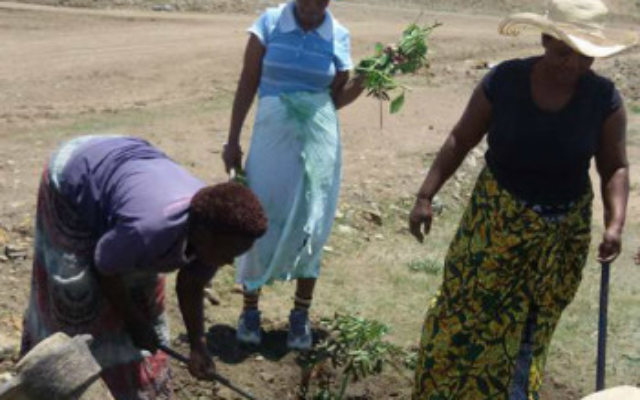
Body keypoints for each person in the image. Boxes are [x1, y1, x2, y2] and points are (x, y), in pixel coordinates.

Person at [408, 0, 637, 399]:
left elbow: (614, 166)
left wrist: (615, 223)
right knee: (463, 315)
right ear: (545, 39)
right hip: (494, 223)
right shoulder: (505, 81)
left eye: (584, 56)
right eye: (563, 51)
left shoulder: (604, 98)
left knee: (530, 328)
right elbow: (460, 138)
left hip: (560, 236)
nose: (572, 64)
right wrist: (426, 195)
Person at [21, 135, 268, 400]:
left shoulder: (216, 229)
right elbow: (103, 264)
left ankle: (129, 388)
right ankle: (51, 381)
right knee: (76, 297)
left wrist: (198, 345)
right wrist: (133, 321)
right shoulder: (148, 229)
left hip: (128, 178)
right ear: (204, 235)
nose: (229, 262)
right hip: (75, 174)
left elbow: (191, 284)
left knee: (144, 303)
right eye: (228, 254)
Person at [222, 0, 364, 350]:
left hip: (319, 142)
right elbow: (248, 81)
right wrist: (232, 139)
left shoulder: (338, 35)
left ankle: (300, 316)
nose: (315, 4)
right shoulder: (269, 23)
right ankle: (250, 311)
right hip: (272, 135)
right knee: (259, 216)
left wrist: (372, 74)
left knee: (312, 223)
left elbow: (336, 98)